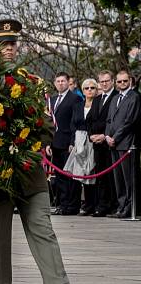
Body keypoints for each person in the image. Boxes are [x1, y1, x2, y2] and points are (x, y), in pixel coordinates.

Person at [0, 19, 81, 284]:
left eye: (13, 42)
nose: (10, 48)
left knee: (43, 229)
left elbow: (47, 125)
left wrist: (27, 142)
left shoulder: (30, 82)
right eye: (2, 43)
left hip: (28, 170)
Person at [105, 69, 139, 219]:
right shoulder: (114, 99)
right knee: (118, 179)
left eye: (125, 81)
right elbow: (109, 120)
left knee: (128, 179)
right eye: (119, 81)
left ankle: (130, 208)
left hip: (126, 144)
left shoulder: (135, 97)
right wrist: (107, 136)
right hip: (112, 143)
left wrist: (116, 137)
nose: (122, 83)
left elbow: (130, 122)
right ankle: (121, 206)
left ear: (130, 81)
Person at [50, 71, 83, 215]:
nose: (60, 83)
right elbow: (49, 122)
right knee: (59, 176)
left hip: (67, 142)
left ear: (68, 82)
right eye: (58, 81)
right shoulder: (51, 100)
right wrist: (47, 143)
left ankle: (72, 205)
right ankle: (62, 205)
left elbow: (74, 121)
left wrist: (72, 141)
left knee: (70, 176)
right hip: (54, 143)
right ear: (54, 83)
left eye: (63, 81)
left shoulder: (75, 98)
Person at [67, 78, 99, 215]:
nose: (89, 90)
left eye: (92, 88)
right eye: (87, 88)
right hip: (78, 141)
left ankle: (91, 205)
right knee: (76, 174)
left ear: (96, 90)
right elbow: (72, 125)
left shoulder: (99, 104)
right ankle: (75, 205)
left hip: (92, 141)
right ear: (83, 90)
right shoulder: (78, 105)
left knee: (90, 173)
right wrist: (72, 142)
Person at [90, 70, 119, 217]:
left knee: (112, 177)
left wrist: (104, 135)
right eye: (102, 82)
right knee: (100, 177)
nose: (104, 83)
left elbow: (116, 121)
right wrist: (92, 136)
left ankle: (114, 206)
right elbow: (90, 120)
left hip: (110, 143)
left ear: (112, 81)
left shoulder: (116, 97)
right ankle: (102, 206)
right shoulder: (97, 99)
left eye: (107, 81)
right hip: (97, 143)